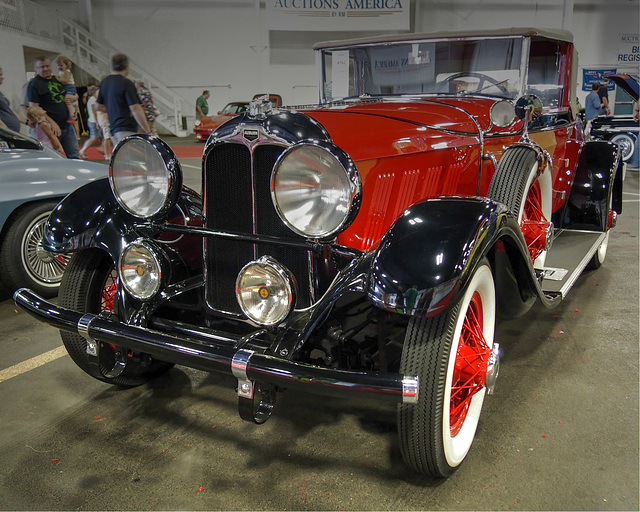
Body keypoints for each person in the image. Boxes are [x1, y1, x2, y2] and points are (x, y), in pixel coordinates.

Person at [28, 56, 79, 158]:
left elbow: (73, 93)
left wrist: (74, 98)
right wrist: (52, 123)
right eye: (42, 67)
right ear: (36, 69)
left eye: (47, 66)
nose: (45, 69)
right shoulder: (35, 84)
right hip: (51, 129)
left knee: (74, 156)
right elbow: (34, 110)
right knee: (54, 157)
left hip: (67, 126)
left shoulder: (57, 79)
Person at [96, 53, 151, 147]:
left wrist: (113, 108)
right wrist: (147, 130)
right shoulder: (126, 83)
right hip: (126, 127)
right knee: (136, 155)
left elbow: (98, 106)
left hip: (113, 127)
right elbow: (135, 108)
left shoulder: (105, 82)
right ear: (126, 67)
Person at [0, 66, 27, 132]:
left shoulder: (1, 94)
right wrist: (5, 128)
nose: (2, 77)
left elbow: (9, 110)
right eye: (0, 75)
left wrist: (27, 122)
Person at [79, 85, 102, 159]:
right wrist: (98, 122)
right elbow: (94, 111)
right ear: (94, 92)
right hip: (93, 121)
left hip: (92, 120)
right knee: (93, 138)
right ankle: (82, 150)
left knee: (97, 138)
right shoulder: (93, 99)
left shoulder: (91, 99)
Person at [56, 56, 78, 124]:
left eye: (61, 65)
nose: (60, 67)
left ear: (66, 65)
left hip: (69, 87)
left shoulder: (67, 71)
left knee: (67, 99)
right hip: (65, 87)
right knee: (66, 100)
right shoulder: (60, 72)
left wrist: (58, 79)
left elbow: (66, 80)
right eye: (58, 65)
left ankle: (72, 115)